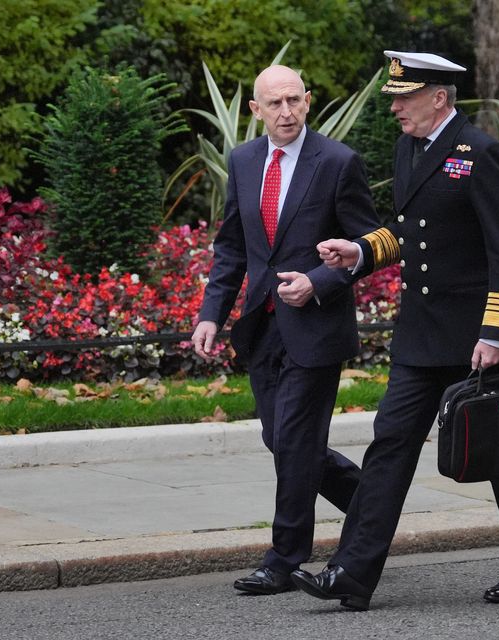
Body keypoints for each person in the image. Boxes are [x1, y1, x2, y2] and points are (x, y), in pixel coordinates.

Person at [291, 51, 499, 611]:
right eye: (393, 98)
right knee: (389, 447)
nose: (395, 108)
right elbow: (408, 230)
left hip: (476, 337)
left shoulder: (482, 154)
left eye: (404, 98)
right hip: (420, 334)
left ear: (439, 97)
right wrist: (359, 251)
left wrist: (497, 334)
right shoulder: (409, 148)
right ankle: (351, 575)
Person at [191, 64, 380, 596]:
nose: (286, 112)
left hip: (316, 326)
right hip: (261, 326)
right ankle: (374, 506)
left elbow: (370, 246)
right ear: (255, 110)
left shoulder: (338, 162)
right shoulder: (244, 161)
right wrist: (211, 313)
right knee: (283, 441)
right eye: (274, 104)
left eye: (294, 100)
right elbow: (232, 248)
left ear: (309, 101)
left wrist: (319, 281)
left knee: (295, 440)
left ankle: (284, 558)